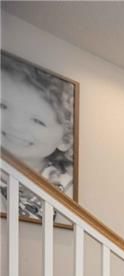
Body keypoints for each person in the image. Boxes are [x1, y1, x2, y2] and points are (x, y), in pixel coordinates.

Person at [0, 56, 75, 219]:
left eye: (37, 120)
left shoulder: (65, 184)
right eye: (3, 106)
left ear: (65, 140)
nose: (15, 125)